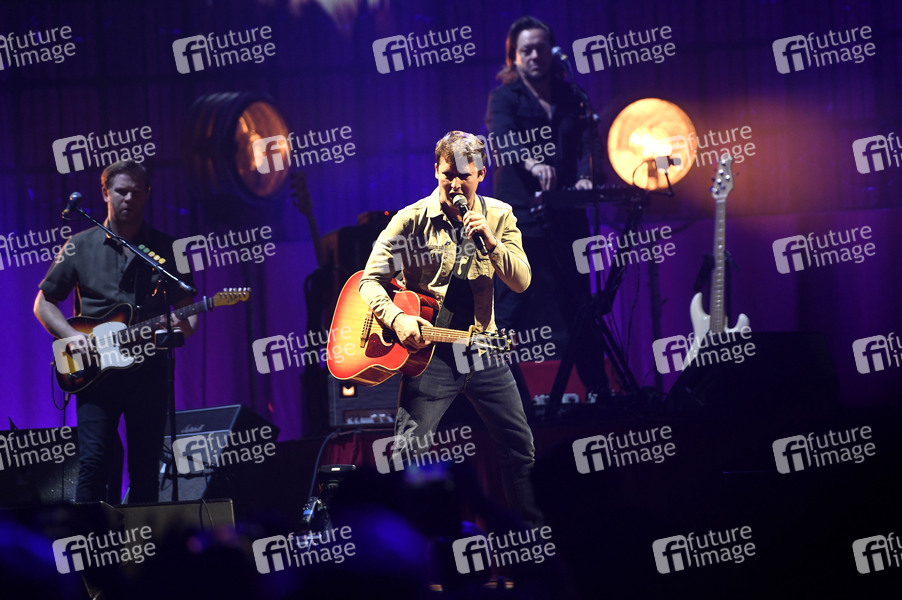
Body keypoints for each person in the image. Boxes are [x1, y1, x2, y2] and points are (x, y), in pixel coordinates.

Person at [359, 131, 541, 525]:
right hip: (430, 356)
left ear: (481, 175)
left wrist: (490, 240)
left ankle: (530, 541)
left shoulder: (500, 215)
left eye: (465, 176)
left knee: (519, 447)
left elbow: (522, 282)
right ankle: (414, 549)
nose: (456, 184)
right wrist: (397, 318)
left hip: (482, 349)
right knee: (408, 454)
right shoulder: (411, 220)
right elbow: (368, 281)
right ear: (436, 171)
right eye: (448, 175)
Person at [34, 160, 197, 503]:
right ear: (105, 193)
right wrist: (71, 336)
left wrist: (177, 330)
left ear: (147, 194)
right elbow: (44, 303)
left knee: (145, 467)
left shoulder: (167, 249)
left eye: (137, 192)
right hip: (95, 373)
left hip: (148, 371)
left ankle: (142, 537)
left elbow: (188, 314)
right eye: (121, 191)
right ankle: (89, 535)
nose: (129, 199)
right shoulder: (79, 245)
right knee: (94, 463)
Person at [485, 15, 608, 398]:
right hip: (518, 221)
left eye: (540, 49)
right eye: (526, 50)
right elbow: (502, 140)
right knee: (509, 310)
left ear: (552, 52)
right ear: (514, 57)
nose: (534, 56)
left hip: (567, 216)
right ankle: (506, 399)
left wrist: (587, 176)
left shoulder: (573, 97)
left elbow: (589, 142)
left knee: (580, 305)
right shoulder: (505, 97)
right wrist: (533, 163)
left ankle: (600, 392)